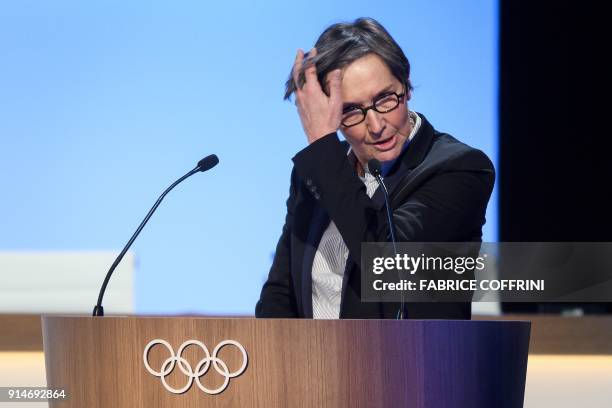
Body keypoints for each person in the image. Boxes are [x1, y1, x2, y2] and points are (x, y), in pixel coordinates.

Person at [255, 17, 494, 319]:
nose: (377, 125)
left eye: (385, 99)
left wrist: (321, 143)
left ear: (406, 87)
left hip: (409, 363)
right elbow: (281, 291)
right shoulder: (313, 175)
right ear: (332, 116)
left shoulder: (459, 169)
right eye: (352, 110)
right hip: (312, 364)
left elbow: (384, 263)